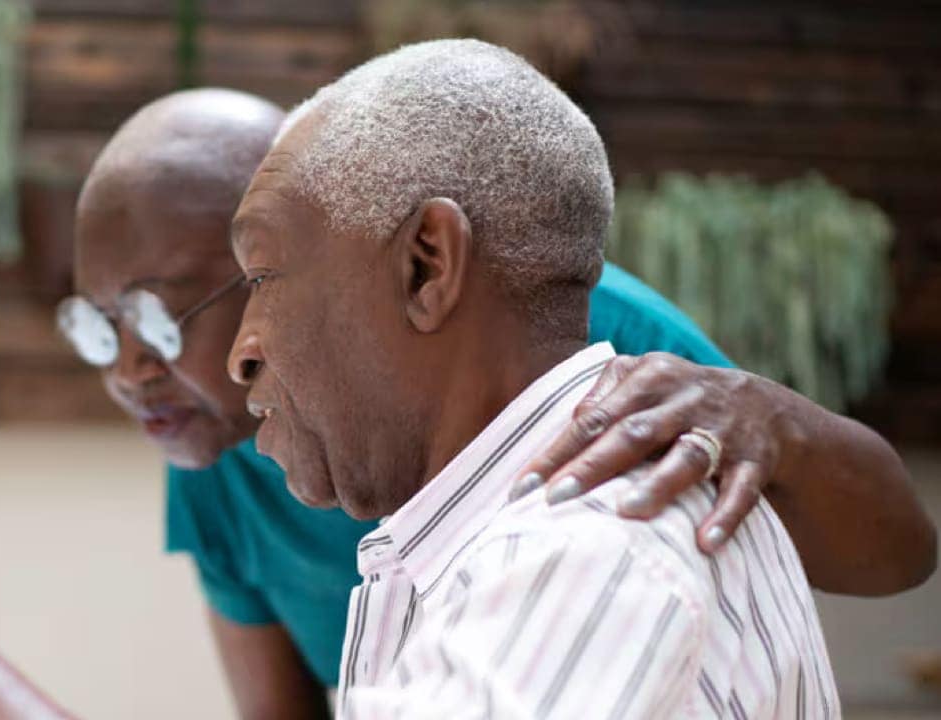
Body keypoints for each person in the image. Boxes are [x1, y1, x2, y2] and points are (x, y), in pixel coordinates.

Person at [0, 44, 937, 719]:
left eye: (259, 277)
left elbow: (882, 535)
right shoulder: (404, 518)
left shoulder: (592, 515)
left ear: (430, 270)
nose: (226, 353)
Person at [63, 89, 934, 716]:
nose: (132, 370)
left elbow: (895, 553)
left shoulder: (593, 401)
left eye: (259, 279)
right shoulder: (214, 444)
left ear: (423, 266)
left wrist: (770, 415)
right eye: (99, 327)